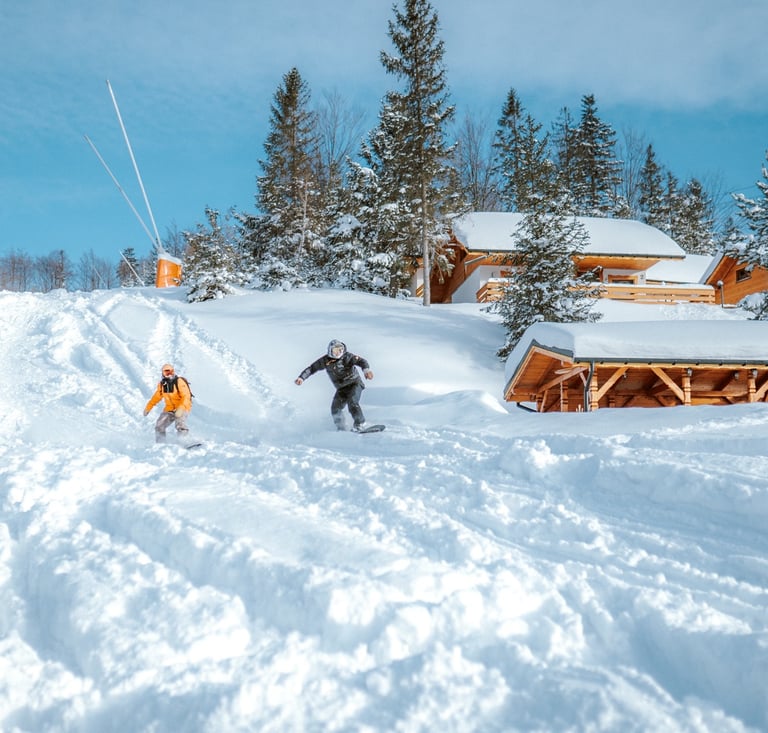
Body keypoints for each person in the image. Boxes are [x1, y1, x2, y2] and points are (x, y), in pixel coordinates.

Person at [295, 340, 374, 431]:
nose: (338, 353)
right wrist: (301, 378)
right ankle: (341, 428)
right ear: (330, 350)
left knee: (352, 402)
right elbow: (312, 368)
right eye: (335, 350)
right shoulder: (325, 361)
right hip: (341, 388)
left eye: (340, 350)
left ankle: (360, 423)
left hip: (354, 383)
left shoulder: (347, 356)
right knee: (335, 409)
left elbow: (361, 361)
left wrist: (366, 371)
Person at [143, 363, 193, 443]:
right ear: (163, 373)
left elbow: (186, 396)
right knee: (159, 425)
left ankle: (184, 441)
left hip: (182, 407)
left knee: (180, 423)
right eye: (166, 372)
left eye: (171, 372)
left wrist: (181, 408)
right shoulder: (162, 385)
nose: (169, 374)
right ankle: (161, 443)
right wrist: (148, 408)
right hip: (169, 409)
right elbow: (156, 397)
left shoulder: (179, 381)